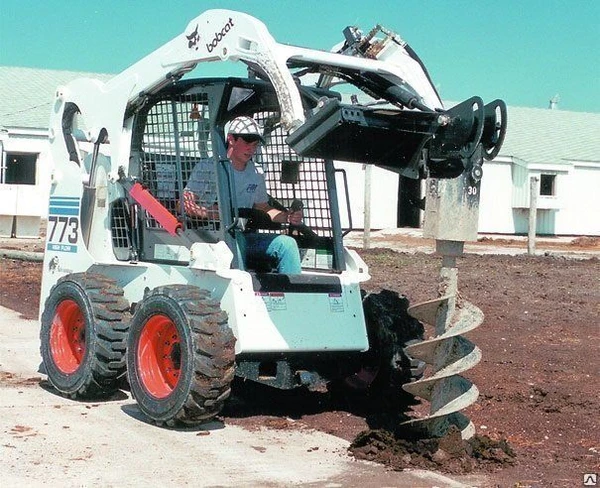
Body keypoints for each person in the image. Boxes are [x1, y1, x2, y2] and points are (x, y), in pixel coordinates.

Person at [183, 116, 303, 274]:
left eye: (255, 145)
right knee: (236, 241)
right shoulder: (208, 167)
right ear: (231, 139)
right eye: (247, 143)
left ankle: (290, 293)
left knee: (287, 245)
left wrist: (286, 217)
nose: (251, 149)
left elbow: (263, 208)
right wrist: (208, 213)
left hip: (242, 235)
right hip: (210, 237)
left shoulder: (256, 173)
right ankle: (243, 288)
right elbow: (184, 204)